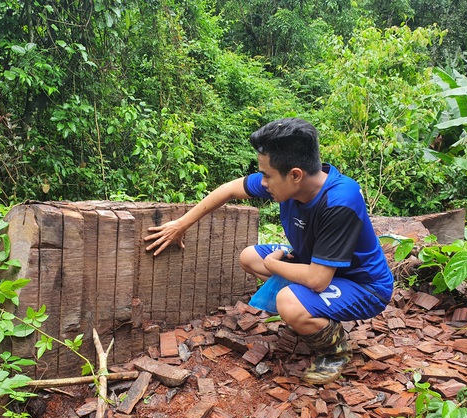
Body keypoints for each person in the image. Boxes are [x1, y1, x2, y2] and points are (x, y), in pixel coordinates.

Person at [144, 118, 394, 385]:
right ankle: (309, 313)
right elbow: (230, 189)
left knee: (289, 301)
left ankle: (335, 351)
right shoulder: (291, 182)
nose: (262, 183)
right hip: (316, 264)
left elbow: (317, 280)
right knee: (250, 258)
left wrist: (275, 266)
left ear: (295, 175)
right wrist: (182, 224)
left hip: (364, 286)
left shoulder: (339, 200)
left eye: (266, 175)